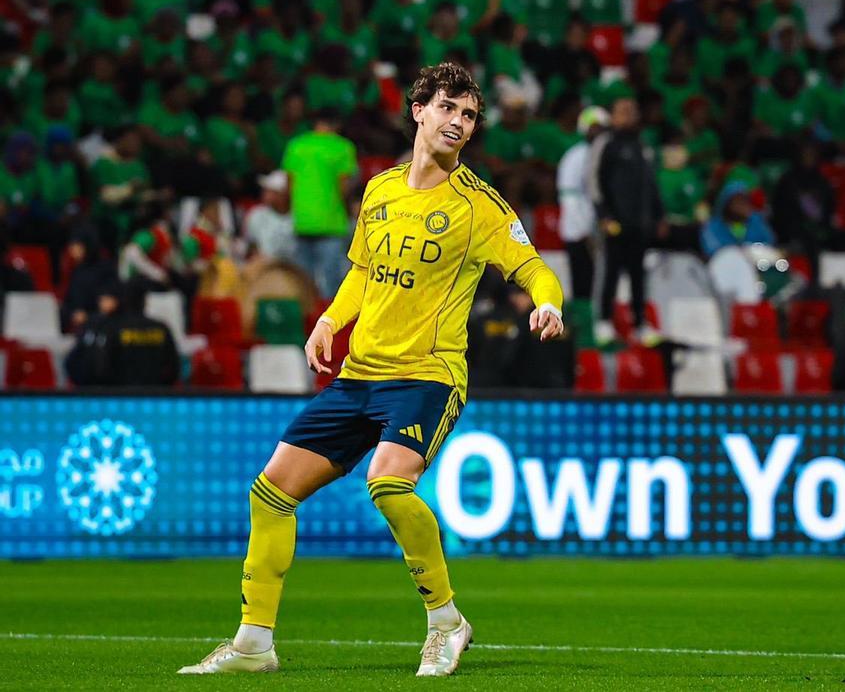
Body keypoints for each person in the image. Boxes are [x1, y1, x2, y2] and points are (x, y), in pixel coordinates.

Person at [178, 63, 564, 678]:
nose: (458, 123)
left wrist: (548, 301)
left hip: (428, 375)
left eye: (468, 115)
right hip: (359, 376)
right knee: (271, 493)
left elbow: (534, 267)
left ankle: (446, 623)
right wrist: (330, 320)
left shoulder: (479, 206)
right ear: (418, 110)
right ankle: (253, 643)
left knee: (388, 484)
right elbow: (362, 271)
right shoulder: (380, 190)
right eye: (447, 108)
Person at [594, 97, 662, 346]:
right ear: (612, 117)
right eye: (623, 111)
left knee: (637, 276)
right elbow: (595, 181)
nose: (629, 116)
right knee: (610, 273)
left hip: (639, 223)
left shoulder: (643, 146)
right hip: (615, 222)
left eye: (632, 111)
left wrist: (658, 215)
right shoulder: (606, 144)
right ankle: (603, 321)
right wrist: (603, 215)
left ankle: (640, 324)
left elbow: (651, 184)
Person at [281, 110, 358, 298]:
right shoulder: (343, 147)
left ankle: (305, 321)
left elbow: (289, 184)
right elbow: (344, 187)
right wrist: (349, 212)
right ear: (336, 124)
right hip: (331, 222)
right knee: (330, 284)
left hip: (302, 221)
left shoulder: (296, 145)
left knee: (303, 281)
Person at [65, 280, 180, 387]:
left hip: (118, 398)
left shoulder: (109, 328)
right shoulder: (161, 328)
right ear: (144, 301)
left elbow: (100, 368)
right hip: (157, 399)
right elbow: (174, 368)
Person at [557, 106, 609, 303]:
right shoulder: (576, 156)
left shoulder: (603, 154)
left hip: (597, 230)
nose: (598, 132)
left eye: (602, 128)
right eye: (593, 127)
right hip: (578, 232)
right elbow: (569, 196)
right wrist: (583, 230)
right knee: (582, 283)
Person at [700, 180, 776, 258]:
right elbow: (712, 249)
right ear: (727, 205)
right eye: (738, 201)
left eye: (745, 200)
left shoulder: (755, 221)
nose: (743, 205)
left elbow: (769, 242)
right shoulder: (713, 226)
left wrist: (750, 249)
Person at [243, 170, 297, 263]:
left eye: (270, 191)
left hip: (294, 272)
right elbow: (251, 246)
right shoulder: (256, 215)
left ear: (283, 195)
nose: (264, 193)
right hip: (266, 271)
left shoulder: (299, 218)